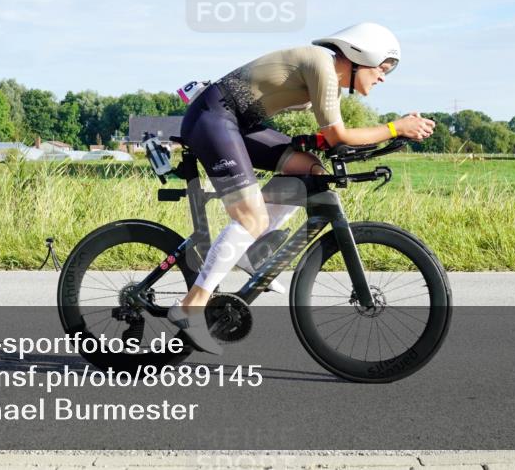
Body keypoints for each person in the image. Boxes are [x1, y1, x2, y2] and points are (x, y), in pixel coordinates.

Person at [167, 22, 436, 354]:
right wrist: (396, 127)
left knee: (310, 168)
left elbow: (331, 138)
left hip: (237, 123)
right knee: (250, 217)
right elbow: (339, 135)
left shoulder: (330, 83)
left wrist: (386, 134)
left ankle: (253, 250)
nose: (383, 77)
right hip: (213, 118)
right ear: (360, 56)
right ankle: (191, 306)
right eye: (383, 68)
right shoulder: (322, 65)